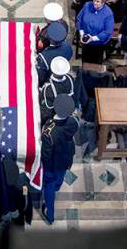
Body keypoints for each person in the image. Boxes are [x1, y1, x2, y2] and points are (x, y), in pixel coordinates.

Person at [40, 95, 80, 225]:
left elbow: (46, 155)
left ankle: (50, 214)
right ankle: (57, 186)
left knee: (49, 184)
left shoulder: (49, 130)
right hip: (66, 157)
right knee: (60, 177)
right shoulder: (73, 122)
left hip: (52, 163)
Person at [75, 0, 114, 64]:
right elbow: (79, 19)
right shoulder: (87, 5)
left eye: (98, 2)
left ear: (103, 3)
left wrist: (92, 38)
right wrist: (82, 34)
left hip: (98, 44)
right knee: (85, 62)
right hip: (86, 41)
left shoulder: (108, 14)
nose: (95, 3)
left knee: (95, 65)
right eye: (94, 0)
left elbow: (107, 32)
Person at [39, 56, 77, 122]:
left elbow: (46, 112)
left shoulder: (48, 89)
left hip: (56, 116)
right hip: (68, 111)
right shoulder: (70, 79)